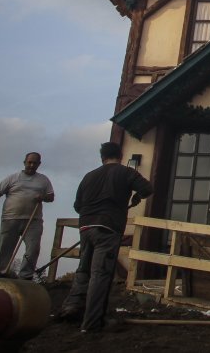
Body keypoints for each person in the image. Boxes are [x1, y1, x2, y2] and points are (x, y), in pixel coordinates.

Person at [59, 141, 153, 333]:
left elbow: (77, 205)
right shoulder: (125, 172)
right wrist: (136, 197)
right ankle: (92, 323)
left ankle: (72, 306)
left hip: (86, 227)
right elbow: (147, 188)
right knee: (101, 273)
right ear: (121, 156)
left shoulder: (89, 176)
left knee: (83, 269)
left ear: (102, 158)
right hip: (108, 227)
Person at [0, 152, 55, 279]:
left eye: (34, 163)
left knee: (33, 248)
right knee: (5, 248)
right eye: (29, 162)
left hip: (33, 220)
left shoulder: (43, 180)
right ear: (24, 162)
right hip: (11, 218)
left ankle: (25, 276)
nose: (31, 165)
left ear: (39, 164)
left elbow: (51, 196)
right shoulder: (13, 178)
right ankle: (1, 273)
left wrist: (43, 197)